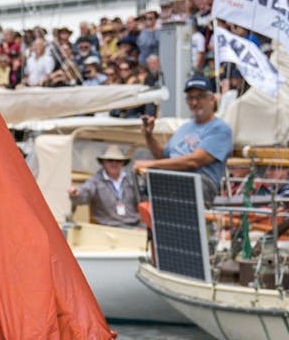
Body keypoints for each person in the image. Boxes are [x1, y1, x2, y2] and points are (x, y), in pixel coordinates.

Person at [134, 75, 234, 205]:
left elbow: (194, 161)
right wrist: (148, 136)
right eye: (190, 98)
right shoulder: (185, 127)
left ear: (212, 99)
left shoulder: (220, 129)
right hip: (173, 179)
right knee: (137, 183)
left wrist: (150, 165)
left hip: (199, 182)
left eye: (200, 97)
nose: (194, 102)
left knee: (159, 183)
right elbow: (163, 157)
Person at [69, 146, 140, 228]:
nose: (114, 163)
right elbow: (84, 193)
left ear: (123, 163)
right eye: (110, 160)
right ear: (103, 163)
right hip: (108, 226)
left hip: (134, 224)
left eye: (118, 161)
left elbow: (142, 200)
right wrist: (76, 193)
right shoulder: (95, 181)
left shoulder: (131, 180)